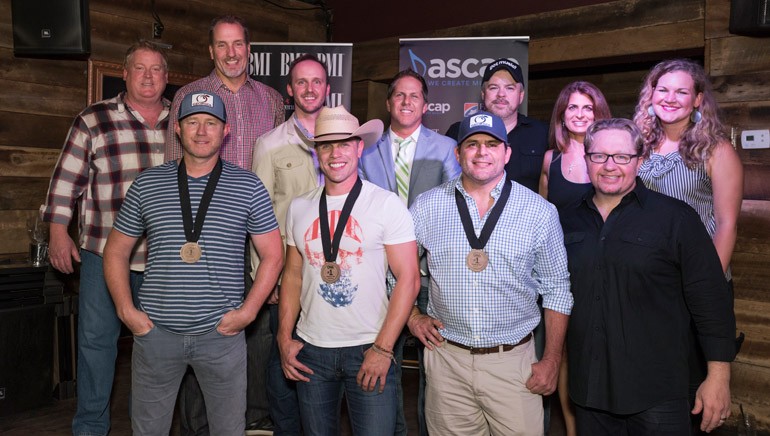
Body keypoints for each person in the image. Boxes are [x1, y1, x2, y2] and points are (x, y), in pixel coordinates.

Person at [103, 90, 284, 436]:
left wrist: (247, 314)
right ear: (178, 129)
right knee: (148, 431)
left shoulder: (248, 186)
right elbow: (115, 251)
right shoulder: (147, 184)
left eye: (211, 123)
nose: (202, 131)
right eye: (193, 122)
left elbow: (274, 255)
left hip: (222, 337)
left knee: (228, 430)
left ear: (225, 130)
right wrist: (128, 312)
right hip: (156, 335)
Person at [559, 118, 736, 435]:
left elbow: (711, 299)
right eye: (599, 156)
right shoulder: (564, 221)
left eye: (622, 157)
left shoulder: (676, 218)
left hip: (658, 393)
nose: (610, 166)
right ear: (586, 160)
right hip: (590, 389)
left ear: (640, 161)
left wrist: (718, 376)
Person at [409, 111, 572, 435]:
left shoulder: (539, 211)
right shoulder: (426, 207)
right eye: (472, 144)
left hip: (513, 365)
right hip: (447, 363)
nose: (482, 152)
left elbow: (557, 289)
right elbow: (398, 274)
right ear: (458, 153)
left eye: (492, 144)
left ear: (507, 152)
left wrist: (552, 359)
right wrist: (413, 316)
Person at [39, 40, 169, 436]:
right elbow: (66, 182)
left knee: (155, 349)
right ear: (125, 74)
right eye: (140, 68)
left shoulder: (182, 122)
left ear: (166, 77)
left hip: (162, 258)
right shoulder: (93, 119)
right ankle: (90, 427)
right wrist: (58, 233)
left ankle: (145, 426)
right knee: (97, 344)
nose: (148, 77)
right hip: (100, 252)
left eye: (156, 69)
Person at [163, 15, 285, 434]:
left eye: (238, 45)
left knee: (257, 330)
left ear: (248, 50)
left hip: (256, 230)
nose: (231, 53)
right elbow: (170, 171)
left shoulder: (270, 99)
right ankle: (198, 427)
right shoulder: (189, 95)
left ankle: (253, 418)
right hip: (203, 232)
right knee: (200, 328)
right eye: (221, 45)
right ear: (210, 50)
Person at [278, 106, 420, 436]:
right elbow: (293, 275)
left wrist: (383, 349)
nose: (335, 153)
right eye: (326, 145)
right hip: (311, 350)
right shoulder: (298, 208)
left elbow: (409, 280)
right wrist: (285, 339)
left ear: (359, 147)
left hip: (369, 347)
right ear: (316, 153)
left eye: (344, 144)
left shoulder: (386, 205)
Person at [633, 59, 743, 432]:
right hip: (648, 284)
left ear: (697, 100)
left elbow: (727, 224)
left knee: (692, 390)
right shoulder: (638, 147)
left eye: (681, 91)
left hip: (696, 283)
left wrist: (704, 285)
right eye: (662, 89)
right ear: (651, 94)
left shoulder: (716, 150)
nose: (670, 98)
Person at [358, 68, 460, 436]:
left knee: (434, 362)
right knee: (386, 357)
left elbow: (452, 207)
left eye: (414, 96)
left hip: (431, 270)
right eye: (399, 95)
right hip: (379, 270)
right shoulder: (367, 151)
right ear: (388, 103)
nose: (406, 101)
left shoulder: (447, 149)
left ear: (425, 105)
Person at [251, 53, 330, 435]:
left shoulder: (344, 138)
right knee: (282, 358)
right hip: (287, 273)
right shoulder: (269, 144)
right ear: (290, 89)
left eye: (317, 81)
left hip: (332, 271)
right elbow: (258, 216)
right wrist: (263, 280)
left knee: (325, 358)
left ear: (327, 88)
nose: (310, 89)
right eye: (301, 82)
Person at [538, 80, 611, 436]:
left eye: (588, 108)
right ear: (562, 116)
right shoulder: (550, 159)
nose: (580, 115)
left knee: (604, 349)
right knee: (565, 354)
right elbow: (542, 217)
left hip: (604, 268)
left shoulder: (612, 159)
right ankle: (572, 430)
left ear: (599, 114)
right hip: (562, 273)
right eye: (573, 108)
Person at [445, 58, 548, 193]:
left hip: (526, 212)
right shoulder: (458, 131)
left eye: (509, 88)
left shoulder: (542, 133)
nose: (501, 94)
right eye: (494, 87)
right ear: (483, 94)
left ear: (521, 95)